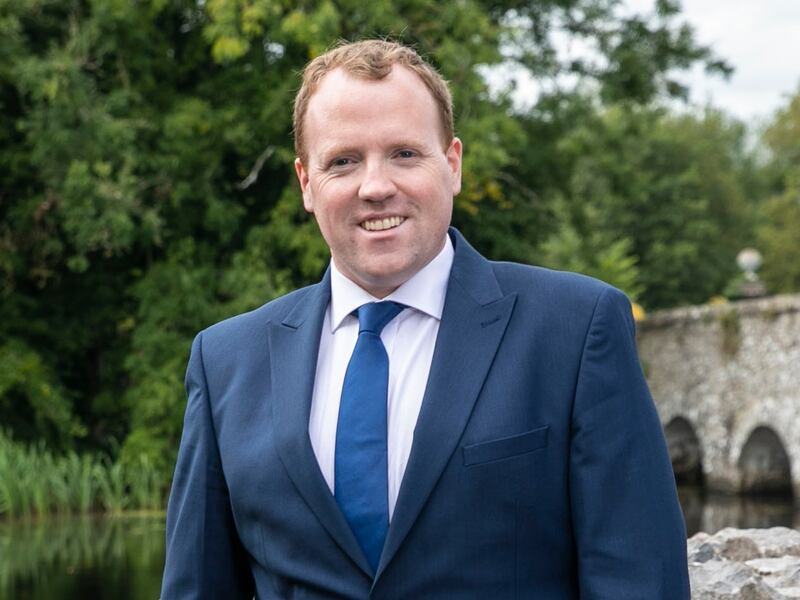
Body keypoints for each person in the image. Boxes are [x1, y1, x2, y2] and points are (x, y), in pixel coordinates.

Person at [161, 40, 689, 599]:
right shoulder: (226, 361)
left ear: (453, 164)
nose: (375, 186)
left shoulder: (576, 330)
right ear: (306, 184)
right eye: (343, 161)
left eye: (404, 154)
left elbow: (640, 581)